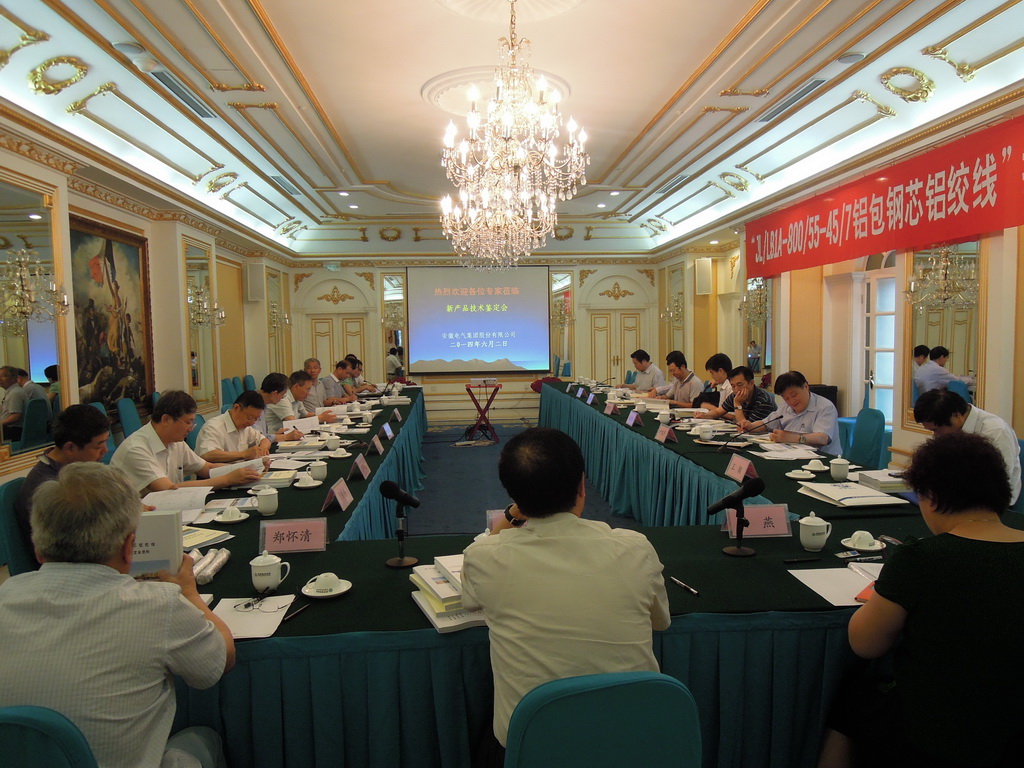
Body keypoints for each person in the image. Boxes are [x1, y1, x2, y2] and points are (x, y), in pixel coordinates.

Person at [0, 462, 235, 768]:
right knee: (202, 739)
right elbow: (220, 662)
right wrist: (189, 594)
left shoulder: (6, 596)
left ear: (38, 549)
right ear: (129, 548)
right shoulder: (158, 605)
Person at [461, 427, 671, 753]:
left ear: (514, 496)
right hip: (634, 738)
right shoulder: (635, 548)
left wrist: (511, 515)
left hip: (533, 743)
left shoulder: (484, 557)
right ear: (581, 486)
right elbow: (661, 622)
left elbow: (470, 601)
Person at [820, 433, 1024, 768]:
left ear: (931, 496)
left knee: (851, 696)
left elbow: (865, 644)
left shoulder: (920, 558)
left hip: (936, 732)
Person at [13, 404, 111, 568]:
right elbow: (76, 545)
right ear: (70, 448)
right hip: (68, 565)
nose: (105, 451)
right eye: (98, 446)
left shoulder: (74, 470)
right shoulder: (49, 490)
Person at [110, 389, 261, 493]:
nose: (191, 428)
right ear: (166, 419)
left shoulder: (176, 442)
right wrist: (227, 479)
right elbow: (170, 489)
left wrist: (249, 469)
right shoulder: (136, 449)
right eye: (188, 422)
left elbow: (207, 468)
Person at [913, 388, 1020, 505]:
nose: (936, 436)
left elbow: (998, 480)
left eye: (936, 430)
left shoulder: (995, 431)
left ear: (956, 416)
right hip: (956, 496)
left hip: (989, 503)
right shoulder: (952, 430)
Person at [742, 370, 840, 453]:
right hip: (792, 453)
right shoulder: (785, 407)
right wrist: (750, 426)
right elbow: (766, 424)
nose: (792, 401)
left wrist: (792, 438)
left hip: (821, 460)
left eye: (794, 395)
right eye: (786, 398)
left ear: (806, 387)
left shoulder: (825, 407)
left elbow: (823, 438)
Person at [195, 390, 272, 463]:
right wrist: (244, 454)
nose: (252, 422)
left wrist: (262, 449)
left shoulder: (246, 428)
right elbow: (207, 454)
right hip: (218, 471)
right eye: (250, 417)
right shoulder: (214, 427)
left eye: (256, 419)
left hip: (239, 469)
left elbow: (264, 439)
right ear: (236, 408)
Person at [265, 370, 337, 436]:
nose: (308, 393)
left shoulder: (297, 399)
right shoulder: (282, 399)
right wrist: (319, 418)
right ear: (296, 386)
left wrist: (326, 415)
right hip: (276, 439)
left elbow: (306, 414)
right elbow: (292, 424)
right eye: (307, 389)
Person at [700, 365, 777, 423]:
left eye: (740, 385)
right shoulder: (735, 395)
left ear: (751, 383)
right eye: (733, 386)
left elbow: (746, 427)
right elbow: (718, 412)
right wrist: (704, 415)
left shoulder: (763, 400)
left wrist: (737, 404)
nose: (736, 389)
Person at [254, 373, 304, 442]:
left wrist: (276, 435)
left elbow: (263, 436)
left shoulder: (263, 403)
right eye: (283, 395)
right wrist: (286, 437)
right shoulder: (254, 405)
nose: (282, 398)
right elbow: (257, 440)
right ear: (274, 393)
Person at [0, 364, 27, 441]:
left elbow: (16, 416)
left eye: (4, 376)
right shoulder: (13, 391)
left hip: (12, 430)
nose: (0, 379)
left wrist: (0, 423)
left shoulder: (15, 393)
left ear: (14, 378)